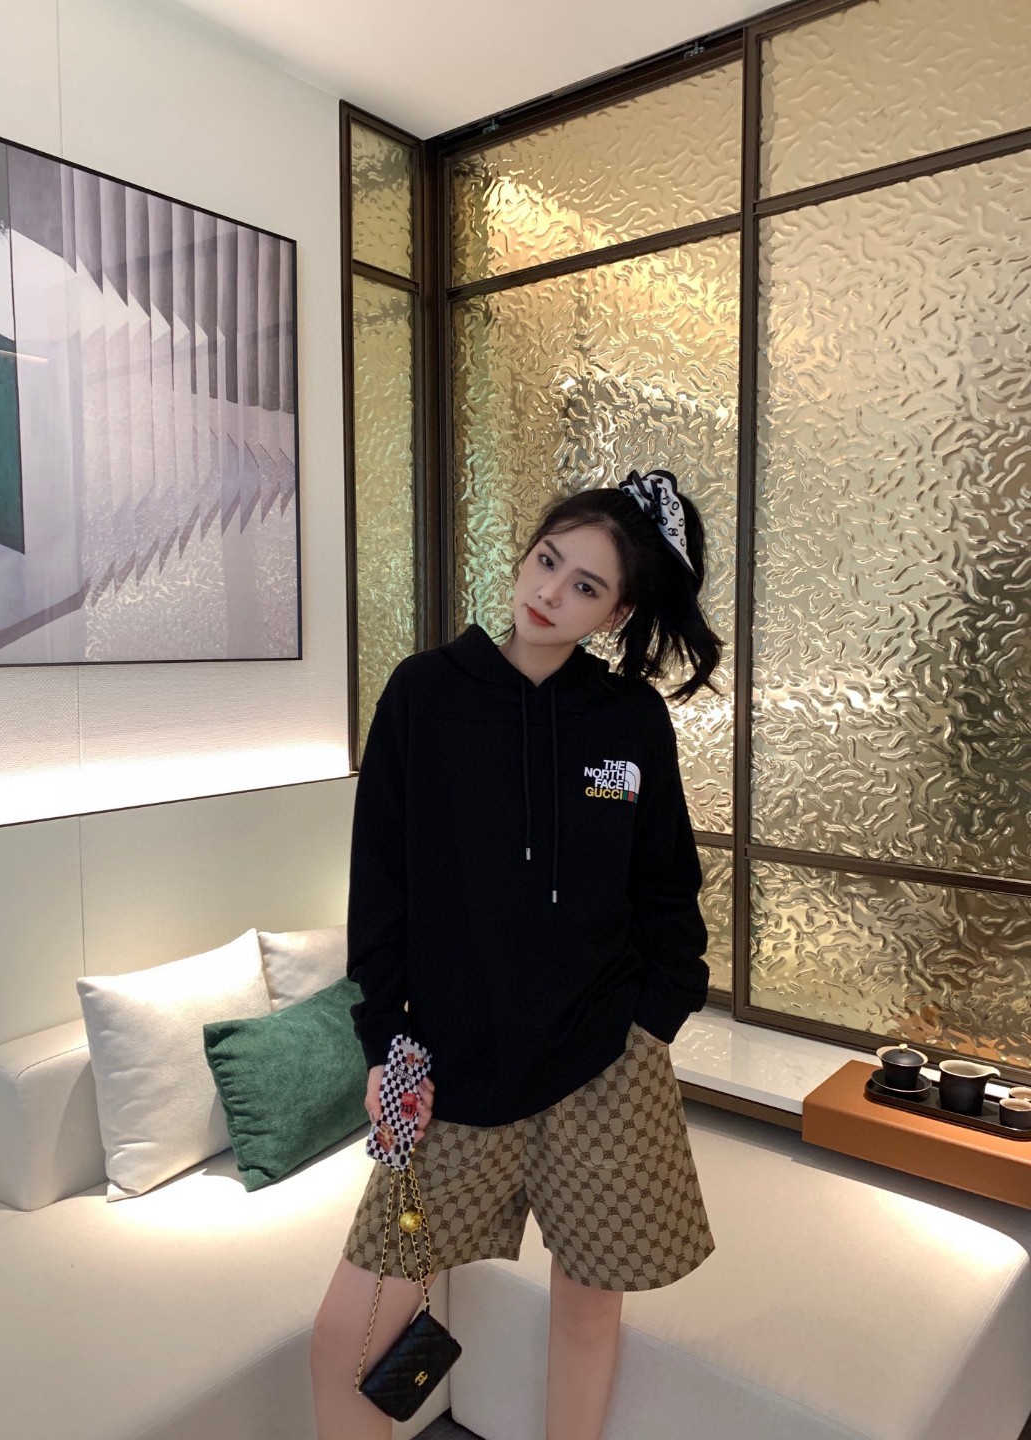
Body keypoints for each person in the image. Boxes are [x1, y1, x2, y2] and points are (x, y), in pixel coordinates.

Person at [310, 470, 723, 1440]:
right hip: (455, 1075)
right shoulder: (423, 696)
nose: (548, 593)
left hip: (606, 1071)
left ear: (616, 613)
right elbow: (381, 894)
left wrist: (652, 1023)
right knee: (346, 1338)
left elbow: (667, 889)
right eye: (547, 560)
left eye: (585, 586)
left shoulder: (629, 720)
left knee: (586, 1310)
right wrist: (383, 1045)